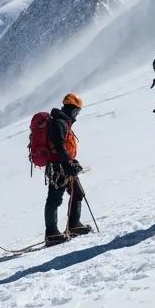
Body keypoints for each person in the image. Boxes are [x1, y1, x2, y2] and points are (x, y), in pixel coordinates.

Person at [44, 93, 92, 245]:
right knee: (54, 198)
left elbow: (63, 147)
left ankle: (73, 225)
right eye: (76, 111)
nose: (76, 115)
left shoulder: (63, 122)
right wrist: (68, 163)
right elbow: (59, 146)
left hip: (63, 165)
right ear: (70, 109)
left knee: (77, 193)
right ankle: (52, 233)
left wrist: (72, 161)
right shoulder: (60, 123)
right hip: (58, 167)